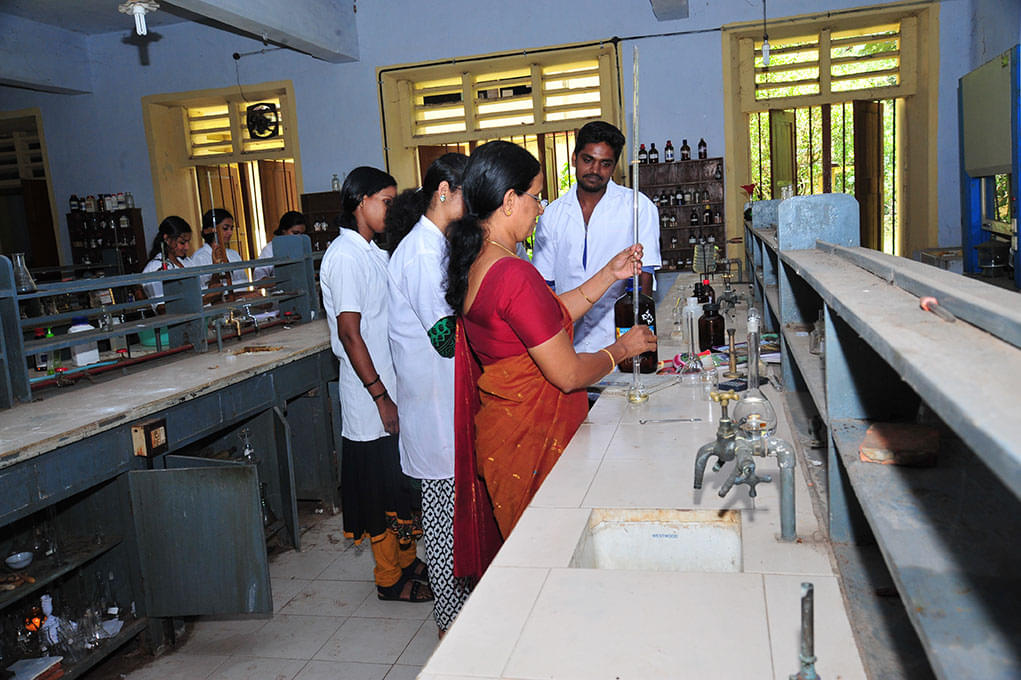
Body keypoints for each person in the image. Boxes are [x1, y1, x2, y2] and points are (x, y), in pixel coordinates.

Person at [445, 141, 656, 579]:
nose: (541, 208)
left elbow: (547, 318)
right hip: (532, 437)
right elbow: (567, 374)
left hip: (507, 429)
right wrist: (623, 349)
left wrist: (609, 274)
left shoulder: (482, 260)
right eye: (536, 196)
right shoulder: (514, 273)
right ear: (509, 201)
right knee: (550, 564)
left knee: (534, 562)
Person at [320, 166, 432, 603]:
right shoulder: (345, 256)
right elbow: (350, 333)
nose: (391, 208)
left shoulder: (374, 252)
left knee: (396, 482)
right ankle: (389, 577)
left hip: (388, 386)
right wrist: (381, 396)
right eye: (385, 201)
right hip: (370, 397)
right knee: (379, 487)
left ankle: (406, 561)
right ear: (359, 201)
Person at [386, 153, 471, 635]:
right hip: (432, 414)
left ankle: (459, 618)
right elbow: (445, 339)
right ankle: (447, 624)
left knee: (454, 521)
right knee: (441, 525)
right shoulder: (419, 253)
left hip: (445, 405)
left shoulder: (436, 245)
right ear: (444, 191)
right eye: (467, 197)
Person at [532, 121, 662, 354]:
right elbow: (545, 285)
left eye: (605, 164)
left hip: (619, 340)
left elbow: (645, 277)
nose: (594, 170)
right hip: (566, 342)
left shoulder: (637, 206)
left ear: (614, 167)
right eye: (588, 160)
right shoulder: (551, 214)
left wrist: (638, 336)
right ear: (574, 158)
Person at [185, 208, 249, 290]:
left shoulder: (234, 254)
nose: (230, 233)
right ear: (211, 230)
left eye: (231, 228)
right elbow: (204, 291)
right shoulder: (199, 258)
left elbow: (243, 282)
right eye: (225, 228)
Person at [140, 216, 192, 313]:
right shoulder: (155, 267)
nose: (187, 247)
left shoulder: (186, 262)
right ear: (167, 239)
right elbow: (161, 308)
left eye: (188, 242)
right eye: (182, 242)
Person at [253, 210, 307, 281]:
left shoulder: (304, 246)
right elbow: (259, 279)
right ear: (283, 231)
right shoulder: (270, 249)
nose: (299, 237)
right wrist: (284, 280)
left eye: (302, 234)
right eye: (295, 233)